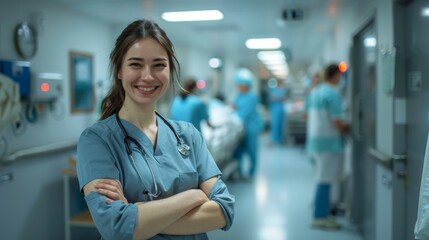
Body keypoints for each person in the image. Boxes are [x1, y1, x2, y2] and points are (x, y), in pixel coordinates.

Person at [76, 19, 235, 240]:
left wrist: (140, 216)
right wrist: (193, 196)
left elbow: (225, 210)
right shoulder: (96, 141)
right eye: (136, 64)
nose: (148, 76)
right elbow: (115, 226)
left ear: (169, 70)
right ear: (119, 70)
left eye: (159, 65)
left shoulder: (188, 135)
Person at [305, 64, 350, 229]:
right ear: (336, 75)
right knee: (324, 181)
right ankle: (319, 217)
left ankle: (322, 212)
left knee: (320, 178)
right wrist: (351, 126)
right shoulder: (332, 93)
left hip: (315, 143)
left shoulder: (315, 92)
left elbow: (307, 114)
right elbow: (337, 121)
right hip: (328, 144)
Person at [232, 68, 263, 179]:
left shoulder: (252, 96)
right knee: (238, 151)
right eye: (238, 85)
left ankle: (251, 173)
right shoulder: (239, 95)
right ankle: (239, 173)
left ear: (247, 85)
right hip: (240, 129)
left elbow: (244, 112)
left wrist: (234, 111)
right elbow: (233, 106)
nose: (239, 87)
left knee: (252, 152)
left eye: (241, 85)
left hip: (251, 128)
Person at [268, 78, 287, 145]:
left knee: (280, 125)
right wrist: (280, 98)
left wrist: (279, 98)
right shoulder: (273, 90)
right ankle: (272, 140)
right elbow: (272, 98)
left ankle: (280, 139)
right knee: (274, 124)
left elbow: (284, 99)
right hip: (275, 110)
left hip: (280, 110)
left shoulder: (282, 90)